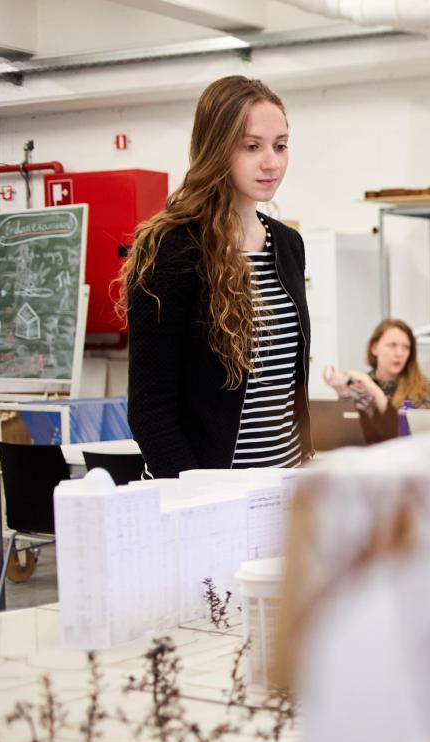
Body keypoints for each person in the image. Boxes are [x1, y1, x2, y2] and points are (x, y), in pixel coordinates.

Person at [123, 75, 310, 477]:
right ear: (216, 148)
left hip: (284, 489)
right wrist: (199, 499)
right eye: (252, 146)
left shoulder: (288, 244)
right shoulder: (172, 248)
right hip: (207, 496)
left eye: (280, 146)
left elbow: (286, 389)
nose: (271, 162)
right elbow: (149, 409)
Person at [322, 318, 430, 443]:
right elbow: (352, 435)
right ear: (374, 348)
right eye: (392, 345)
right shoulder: (360, 386)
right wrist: (343, 394)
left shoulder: (422, 390)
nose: (399, 353)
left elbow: (410, 439)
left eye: (406, 347)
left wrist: (376, 393)